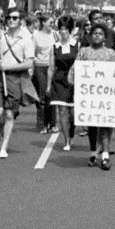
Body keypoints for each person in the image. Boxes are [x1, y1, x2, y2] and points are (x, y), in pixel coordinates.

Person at [72, 23, 115, 169]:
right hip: (89, 96)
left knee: (105, 125)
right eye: (95, 33)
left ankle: (105, 156)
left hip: (106, 97)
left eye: (100, 34)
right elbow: (75, 71)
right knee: (92, 125)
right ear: (90, 36)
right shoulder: (83, 52)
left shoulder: (111, 54)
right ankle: (93, 153)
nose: (97, 36)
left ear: (105, 37)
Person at [0, 8, 35, 158]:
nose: (11, 20)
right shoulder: (0, 36)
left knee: (9, 114)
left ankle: (4, 145)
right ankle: (0, 137)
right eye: (9, 18)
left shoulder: (26, 39)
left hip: (15, 78)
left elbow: (29, 63)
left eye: (14, 18)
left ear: (20, 20)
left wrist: (9, 67)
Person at [47, 15, 80, 152]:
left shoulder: (77, 45)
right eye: (61, 29)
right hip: (59, 80)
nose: (63, 32)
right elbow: (51, 67)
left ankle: (71, 129)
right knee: (62, 111)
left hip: (74, 81)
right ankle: (66, 140)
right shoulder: (54, 47)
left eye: (66, 29)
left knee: (72, 112)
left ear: (71, 30)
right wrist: (48, 85)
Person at [32, 15, 56, 133]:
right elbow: (33, 53)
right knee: (42, 96)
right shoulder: (36, 36)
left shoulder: (54, 34)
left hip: (52, 66)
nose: (52, 23)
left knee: (51, 95)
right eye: (50, 22)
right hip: (40, 67)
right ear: (44, 23)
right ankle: (41, 124)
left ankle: (52, 124)